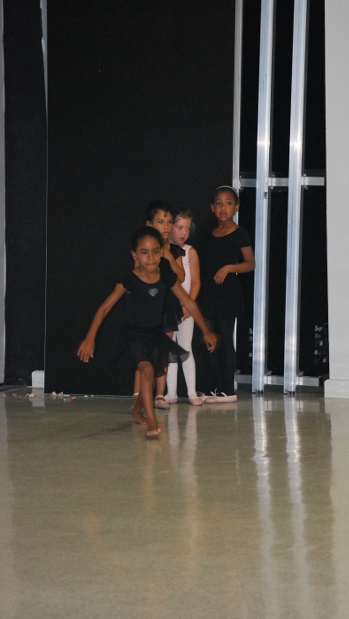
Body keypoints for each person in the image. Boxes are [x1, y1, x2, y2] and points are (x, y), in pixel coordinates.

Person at [77, 226, 217, 438]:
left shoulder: (166, 277)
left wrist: (206, 331)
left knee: (150, 374)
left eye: (155, 251)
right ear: (134, 255)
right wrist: (90, 338)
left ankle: (136, 411)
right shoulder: (129, 279)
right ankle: (151, 419)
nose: (150, 257)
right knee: (147, 370)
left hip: (155, 335)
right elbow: (105, 308)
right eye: (144, 252)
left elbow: (188, 302)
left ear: (161, 252)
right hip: (133, 336)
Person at [200, 185, 255, 403]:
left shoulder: (240, 233)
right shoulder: (209, 233)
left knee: (224, 339)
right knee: (209, 339)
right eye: (219, 203)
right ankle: (212, 388)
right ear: (212, 207)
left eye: (229, 203)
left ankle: (228, 390)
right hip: (209, 292)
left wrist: (228, 268)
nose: (223, 208)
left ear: (237, 207)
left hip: (228, 293)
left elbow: (250, 263)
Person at [132, 200, 185, 411]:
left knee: (163, 352)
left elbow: (181, 277)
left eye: (169, 222)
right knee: (144, 353)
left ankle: (159, 394)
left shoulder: (174, 250)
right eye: (161, 221)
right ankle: (138, 396)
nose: (166, 226)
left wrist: (169, 256)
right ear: (149, 224)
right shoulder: (144, 249)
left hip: (168, 306)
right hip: (148, 307)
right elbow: (136, 275)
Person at [164, 207, 204, 406]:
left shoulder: (190, 252)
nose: (183, 232)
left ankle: (191, 392)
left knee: (186, 347)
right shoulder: (163, 251)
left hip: (186, 309)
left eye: (187, 228)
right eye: (179, 227)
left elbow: (195, 282)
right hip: (168, 308)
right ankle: (170, 393)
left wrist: (189, 305)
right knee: (169, 349)